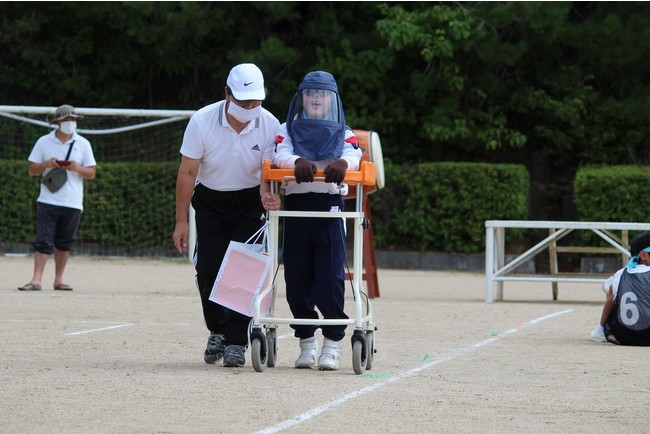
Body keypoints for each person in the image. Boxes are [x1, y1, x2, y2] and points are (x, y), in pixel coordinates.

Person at [172, 63, 281, 368]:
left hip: (250, 203)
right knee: (208, 269)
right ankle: (217, 330)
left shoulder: (270, 124)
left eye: (255, 101)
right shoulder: (202, 121)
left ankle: (235, 341)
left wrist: (270, 195)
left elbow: (269, 173)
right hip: (210, 202)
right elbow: (187, 173)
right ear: (227, 94)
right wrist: (181, 220)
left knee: (243, 270)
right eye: (244, 102)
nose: (250, 108)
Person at [273, 71, 362, 370]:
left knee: (330, 278)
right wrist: (296, 162)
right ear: (301, 97)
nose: (316, 98)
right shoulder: (288, 129)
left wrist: (342, 164)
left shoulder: (343, 130)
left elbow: (355, 155)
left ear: (332, 100)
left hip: (330, 208)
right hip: (297, 208)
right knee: (296, 279)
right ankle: (307, 342)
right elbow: (279, 153)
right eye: (310, 92)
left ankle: (333, 344)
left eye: (322, 94)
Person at [19, 104, 97, 292]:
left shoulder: (83, 143)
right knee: (43, 241)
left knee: (65, 242)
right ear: (58, 123)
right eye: (66, 120)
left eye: (73, 120)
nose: (70, 123)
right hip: (48, 199)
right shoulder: (43, 142)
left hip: (73, 201)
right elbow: (31, 170)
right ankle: (36, 280)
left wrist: (76, 167)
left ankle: (58, 280)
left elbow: (91, 173)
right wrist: (46, 164)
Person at [590, 231, 650, 345]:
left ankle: (600, 331)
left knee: (613, 292)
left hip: (623, 335)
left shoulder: (621, 273)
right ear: (643, 255)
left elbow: (607, 290)